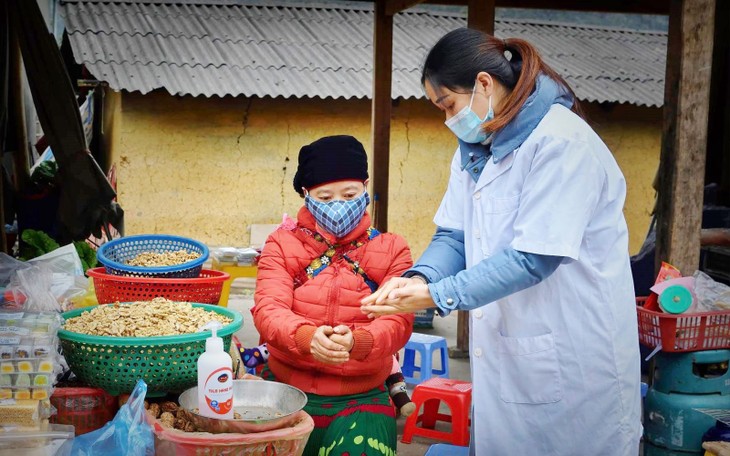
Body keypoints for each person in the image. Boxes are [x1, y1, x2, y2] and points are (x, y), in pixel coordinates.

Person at [361, 27, 642, 455]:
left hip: (575, 355)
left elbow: (533, 259)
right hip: (513, 355)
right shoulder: (476, 149)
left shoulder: (561, 142)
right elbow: (454, 233)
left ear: (484, 85)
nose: (447, 119)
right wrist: (418, 277)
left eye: (448, 104)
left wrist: (437, 294)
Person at [252, 135, 415, 456]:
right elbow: (268, 308)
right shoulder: (281, 245)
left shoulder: (393, 248)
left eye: (350, 194)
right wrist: (305, 336)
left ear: (366, 188)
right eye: (325, 197)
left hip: (361, 398)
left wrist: (359, 342)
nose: (338, 205)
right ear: (306, 194)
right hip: (284, 393)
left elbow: (399, 320)